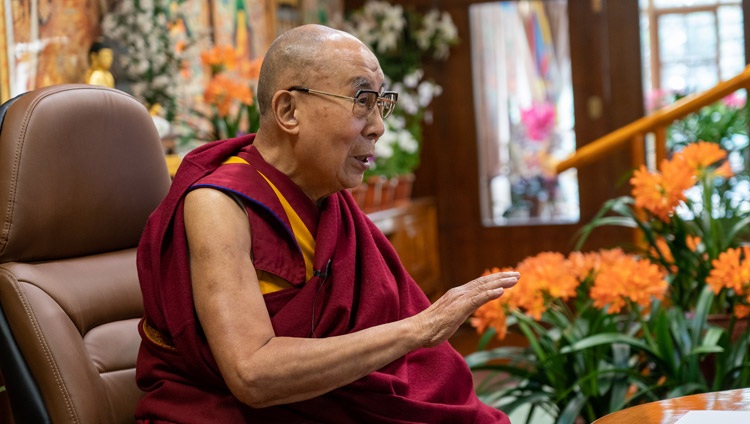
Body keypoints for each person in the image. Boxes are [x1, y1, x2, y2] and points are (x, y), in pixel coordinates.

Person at [135, 24, 519, 423]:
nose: (378, 126)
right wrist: (419, 329)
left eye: (380, 102)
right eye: (361, 101)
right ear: (288, 111)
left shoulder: (328, 203)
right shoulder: (219, 205)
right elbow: (252, 374)